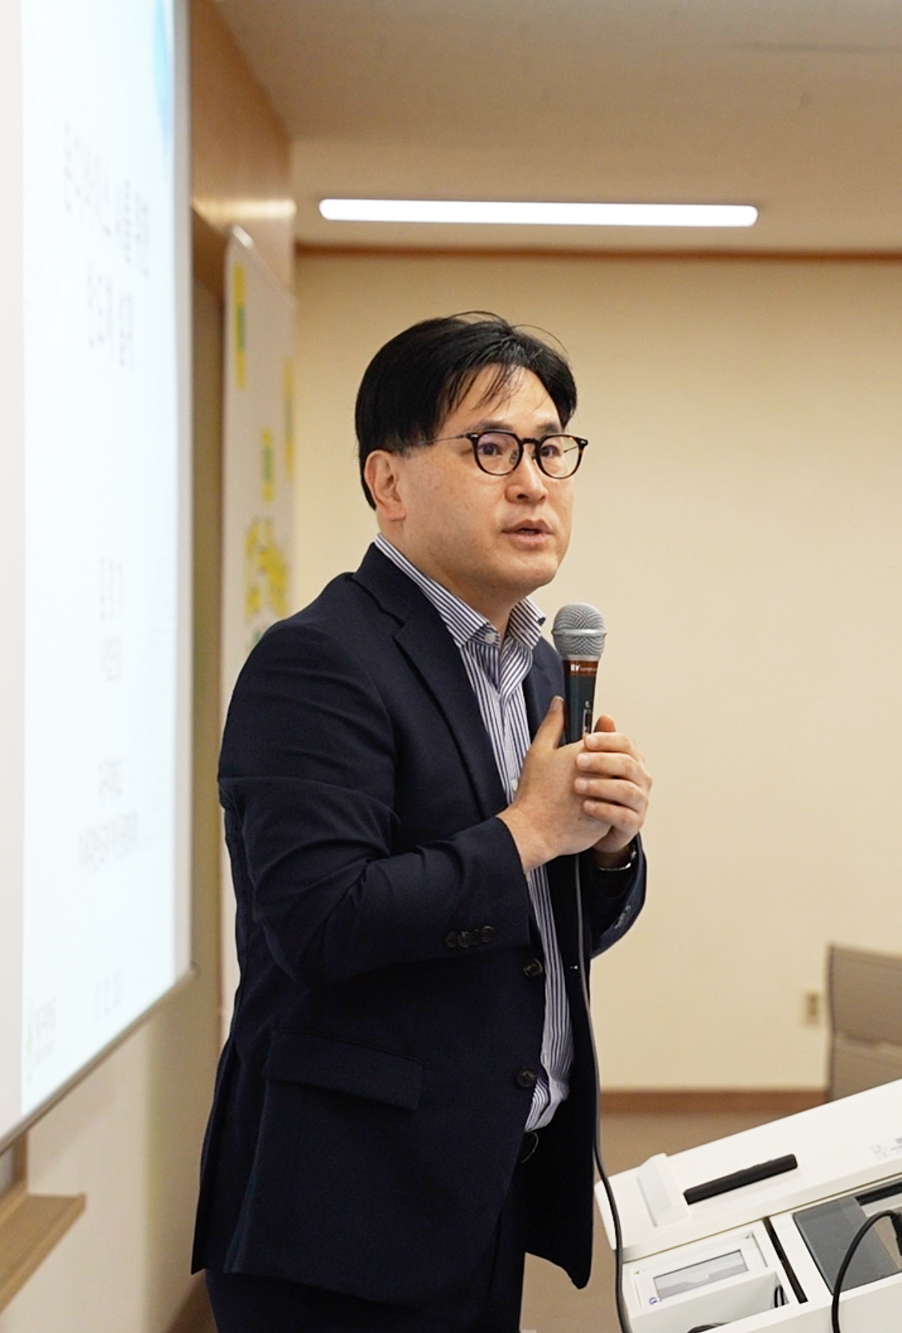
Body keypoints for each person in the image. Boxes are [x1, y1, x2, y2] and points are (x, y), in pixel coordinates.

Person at [193, 314, 654, 1332]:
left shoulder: (539, 664)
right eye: (491, 448)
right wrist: (530, 829)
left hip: (480, 1185)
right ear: (388, 482)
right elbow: (319, 921)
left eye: (551, 449)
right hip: (342, 1220)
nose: (532, 482)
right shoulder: (319, 662)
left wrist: (607, 847)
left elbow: (534, 934)